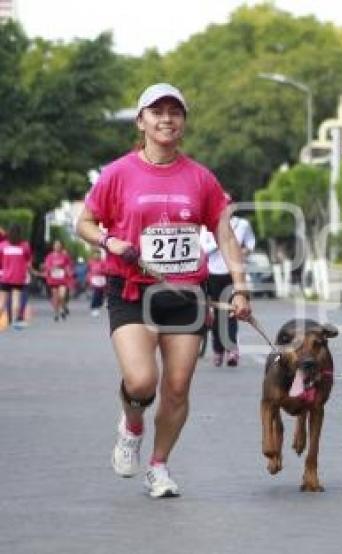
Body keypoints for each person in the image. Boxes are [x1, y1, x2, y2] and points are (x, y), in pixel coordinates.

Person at [75, 82, 252, 498]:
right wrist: (107, 241)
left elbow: (225, 236)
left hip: (186, 293)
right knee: (140, 382)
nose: (166, 118)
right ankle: (132, 425)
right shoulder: (117, 173)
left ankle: (159, 465)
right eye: (157, 112)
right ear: (142, 121)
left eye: (175, 112)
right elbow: (83, 223)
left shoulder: (202, 178)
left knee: (177, 386)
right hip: (132, 289)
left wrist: (240, 289)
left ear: (184, 123)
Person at [200, 210, 256, 367]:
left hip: (231, 274)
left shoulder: (242, 224)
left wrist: (240, 252)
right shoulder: (205, 226)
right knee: (216, 315)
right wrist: (220, 245)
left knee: (232, 313)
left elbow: (251, 243)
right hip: (211, 273)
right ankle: (218, 350)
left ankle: (232, 350)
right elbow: (202, 249)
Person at [0, 224, 34, 330]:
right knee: (16, 299)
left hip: (5, 276)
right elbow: (28, 259)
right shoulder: (24, 246)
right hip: (19, 277)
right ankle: (14, 322)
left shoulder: (3, 245)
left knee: (2, 301)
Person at [42, 240, 74, 322]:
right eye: (56, 245)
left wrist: (68, 271)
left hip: (63, 280)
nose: (57, 247)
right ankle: (56, 313)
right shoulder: (49, 256)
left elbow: (69, 265)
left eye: (59, 245)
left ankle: (63, 308)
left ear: (61, 246)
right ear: (53, 246)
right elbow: (46, 266)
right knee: (55, 298)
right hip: (53, 280)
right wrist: (51, 268)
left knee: (62, 296)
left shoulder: (65, 256)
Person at [87, 249, 108, 317]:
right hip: (94, 279)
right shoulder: (91, 262)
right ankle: (94, 307)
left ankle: (98, 305)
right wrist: (89, 279)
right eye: (95, 254)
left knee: (101, 294)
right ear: (93, 255)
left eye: (98, 254)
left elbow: (106, 270)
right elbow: (88, 271)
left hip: (101, 279)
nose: (97, 256)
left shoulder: (103, 262)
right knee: (96, 293)